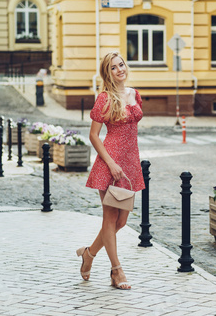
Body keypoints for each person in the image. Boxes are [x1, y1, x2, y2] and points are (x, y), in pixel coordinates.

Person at [77, 51, 145, 290]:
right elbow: (94, 135)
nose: (120, 70)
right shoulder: (104, 98)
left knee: (121, 221)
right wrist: (111, 164)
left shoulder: (134, 94)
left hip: (130, 163)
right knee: (110, 218)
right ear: (108, 73)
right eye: (114, 68)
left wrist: (126, 164)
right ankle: (117, 271)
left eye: (121, 65)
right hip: (110, 163)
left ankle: (89, 253)